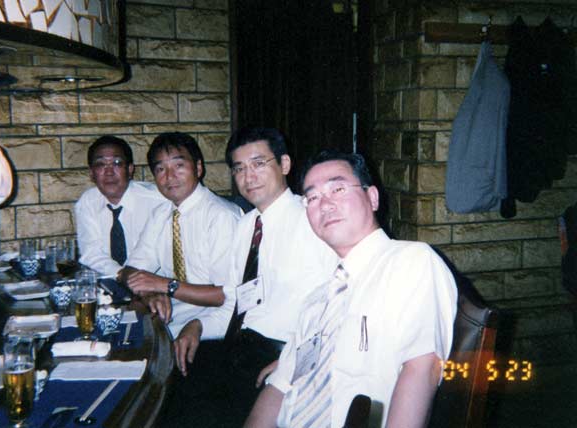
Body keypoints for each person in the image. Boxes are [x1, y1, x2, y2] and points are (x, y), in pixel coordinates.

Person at [246, 150, 458, 428]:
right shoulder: (318, 299)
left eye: (338, 189)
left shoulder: (411, 262)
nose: (325, 204)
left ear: (373, 198)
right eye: (312, 197)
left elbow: (422, 368)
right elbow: (281, 384)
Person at [174, 127, 337, 426]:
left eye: (259, 164)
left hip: (283, 355)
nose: (248, 177)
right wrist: (197, 324)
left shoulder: (313, 220)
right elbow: (236, 303)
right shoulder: (246, 225)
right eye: (239, 168)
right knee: (172, 394)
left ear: (284, 164)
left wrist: (294, 361)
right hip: (240, 349)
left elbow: (341, 304)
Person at [123, 131, 241, 344]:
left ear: (198, 168)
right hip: (169, 320)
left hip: (208, 326)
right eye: (161, 169)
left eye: (179, 166)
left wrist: (165, 285)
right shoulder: (161, 214)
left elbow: (225, 295)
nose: (169, 176)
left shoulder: (221, 216)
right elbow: (129, 271)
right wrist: (149, 293)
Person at [75, 135, 164, 276]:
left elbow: (155, 255)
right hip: (112, 280)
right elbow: (91, 253)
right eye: (100, 164)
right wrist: (121, 275)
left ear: (130, 169)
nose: (109, 172)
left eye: (117, 163)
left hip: (157, 282)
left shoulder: (158, 200)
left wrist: (129, 279)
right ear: (91, 173)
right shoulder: (88, 202)